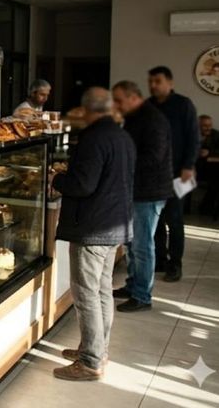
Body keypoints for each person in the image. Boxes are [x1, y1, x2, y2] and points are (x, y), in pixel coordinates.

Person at [51, 87, 135, 382]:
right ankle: (97, 348)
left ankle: (89, 362)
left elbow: (83, 185)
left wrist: (57, 178)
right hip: (115, 224)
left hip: (94, 228)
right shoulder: (122, 136)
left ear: (86, 110)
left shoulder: (94, 138)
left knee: (85, 293)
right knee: (101, 292)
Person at [111, 81, 173, 313]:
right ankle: (133, 285)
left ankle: (142, 295)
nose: (116, 105)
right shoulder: (136, 117)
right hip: (134, 190)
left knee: (142, 245)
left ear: (133, 97)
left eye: (118, 100)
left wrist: (122, 164)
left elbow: (153, 158)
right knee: (130, 243)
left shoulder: (152, 119)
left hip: (149, 192)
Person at [147, 66, 200, 282]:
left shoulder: (183, 104)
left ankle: (174, 264)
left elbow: (193, 138)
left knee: (175, 220)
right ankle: (159, 260)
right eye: (151, 81)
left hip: (177, 171)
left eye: (158, 81)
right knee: (155, 220)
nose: (153, 85)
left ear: (170, 82)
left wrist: (188, 165)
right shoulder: (148, 106)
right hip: (152, 173)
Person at [197, 115, 219, 218]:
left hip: (210, 169)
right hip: (193, 167)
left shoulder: (215, 135)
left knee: (216, 181)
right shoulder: (192, 133)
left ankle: (206, 208)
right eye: (205, 126)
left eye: (209, 125)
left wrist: (209, 152)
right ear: (198, 126)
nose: (208, 128)